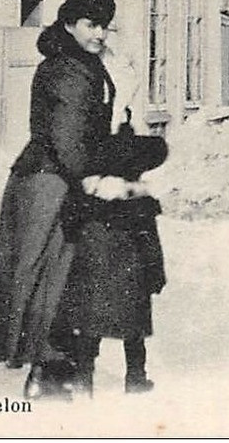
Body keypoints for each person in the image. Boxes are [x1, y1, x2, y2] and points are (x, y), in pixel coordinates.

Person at [0, 0, 118, 400]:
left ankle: (51, 370)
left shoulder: (74, 60)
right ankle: (48, 373)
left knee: (57, 276)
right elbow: (67, 136)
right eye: (92, 24)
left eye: (105, 26)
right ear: (70, 22)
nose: (100, 34)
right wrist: (90, 180)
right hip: (51, 184)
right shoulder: (68, 69)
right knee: (52, 276)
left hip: (54, 178)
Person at [52, 102, 168, 396]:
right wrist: (156, 274)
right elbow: (149, 242)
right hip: (131, 280)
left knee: (88, 330)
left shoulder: (87, 200)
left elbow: (69, 230)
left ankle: (83, 379)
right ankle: (136, 378)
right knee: (134, 333)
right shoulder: (140, 204)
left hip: (92, 276)